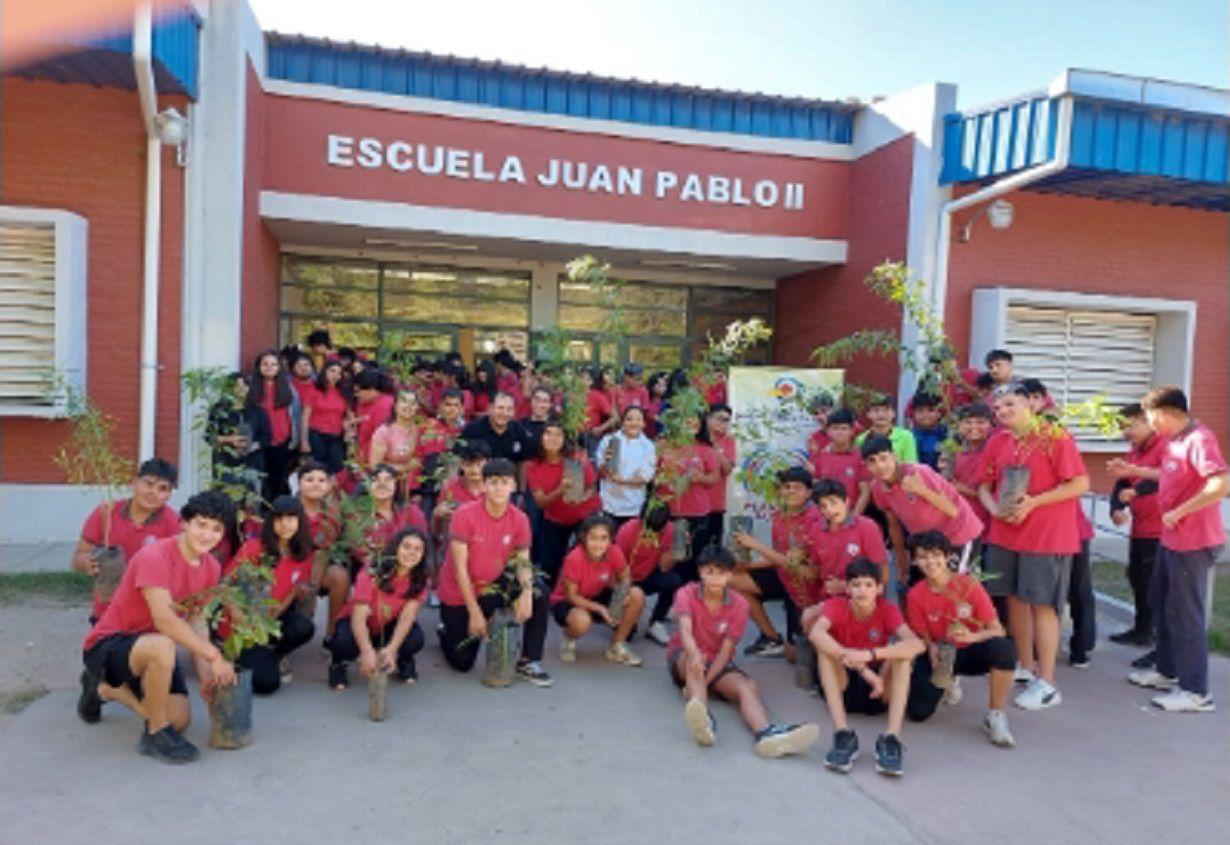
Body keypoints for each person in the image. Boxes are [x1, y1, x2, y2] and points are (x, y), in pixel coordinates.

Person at [77, 491, 238, 764]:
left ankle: (104, 690)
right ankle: (155, 733)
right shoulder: (156, 556)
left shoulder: (211, 567)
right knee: (163, 644)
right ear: (184, 523)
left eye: (216, 529)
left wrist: (207, 676)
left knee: (179, 719)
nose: (207, 535)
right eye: (201, 524)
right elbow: (165, 620)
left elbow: (197, 622)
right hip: (110, 645)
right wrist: (214, 654)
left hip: (152, 650)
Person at [977, 385, 1089, 711]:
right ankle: (1024, 667)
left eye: (1009, 404)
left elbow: (1080, 484)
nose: (1003, 411)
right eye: (997, 408)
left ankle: (1048, 682)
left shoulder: (1055, 436)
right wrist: (994, 508)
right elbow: (984, 486)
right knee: (1013, 598)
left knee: (1042, 604)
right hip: (1005, 533)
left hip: (1046, 535)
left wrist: (1035, 502)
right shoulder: (998, 441)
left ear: (1031, 403)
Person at [1127, 387, 1228, 713]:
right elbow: (1170, 474)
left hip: (1193, 541)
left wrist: (1181, 511)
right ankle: (1167, 670)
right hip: (1171, 539)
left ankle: (1196, 692)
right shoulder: (1176, 441)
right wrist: (1134, 471)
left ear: (1168, 412)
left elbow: (1220, 484)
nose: (1150, 425)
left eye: (1152, 418)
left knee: (1186, 615)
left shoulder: (1200, 439)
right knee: (1161, 602)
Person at [668, 545, 819, 757]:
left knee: (747, 687)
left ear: (730, 575)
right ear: (701, 572)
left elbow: (726, 650)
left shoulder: (739, 604)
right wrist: (694, 655)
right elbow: (685, 631)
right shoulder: (686, 593)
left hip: (717, 660)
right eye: (709, 571)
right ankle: (704, 720)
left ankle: (766, 734)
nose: (714, 578)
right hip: (686, 655)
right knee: (694, 662)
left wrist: (708, 680)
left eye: (721, 572)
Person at [436, 458, 553, 686]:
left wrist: (527, 595)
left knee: (539, 591)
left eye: (504, 482)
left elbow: (523, 563)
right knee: (462, 662)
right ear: (485, 485)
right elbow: (459, 568)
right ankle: (446, 629)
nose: (499, 488)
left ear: (513, 486)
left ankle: (529, 659)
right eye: (493, 482)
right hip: (460, 593)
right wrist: (475, 613)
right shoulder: (464, 515)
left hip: (492, 585)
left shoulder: (520, 518)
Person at [808, 558, 924, 777]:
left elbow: (916, 644)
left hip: (879, 689)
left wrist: (871, 655)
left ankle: (891, 738)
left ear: (879, 588)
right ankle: (843, 733)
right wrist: (862, 668)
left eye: (868, 585)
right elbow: (816, 633)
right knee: (825, 650)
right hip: (846, 684)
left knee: (903, 654)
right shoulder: (837, 605)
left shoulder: (887, 610)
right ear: (848, 588)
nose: (862, 591)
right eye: (856, 585)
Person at [902, 531, 1017, 748]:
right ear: (916, 561)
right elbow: (923, 635)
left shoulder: (969, 585)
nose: (930, 562)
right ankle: (949, 681)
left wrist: (973, 636)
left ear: (947, 557)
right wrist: (931, 647)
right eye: (923, 557)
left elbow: (997, 629)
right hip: (943, 654)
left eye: (936, 555)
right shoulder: (915, 595)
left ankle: (995, 715)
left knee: (1004, 649)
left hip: (971, 648)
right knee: (918, 713)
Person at [862, 435, 983, 591]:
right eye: (872, 461)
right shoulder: (878, 488)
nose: (880, 465)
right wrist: (902, 562)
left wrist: (921, 490)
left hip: (959, 535)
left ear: (894, 456)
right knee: (918, 588)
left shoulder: (918, 472)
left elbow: (953, 510)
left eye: (884, 458)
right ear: (866, 466)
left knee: (956, 589)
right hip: (926, 543)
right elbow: (894, 526)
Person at [227, 496, 316, 694]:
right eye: (279, 519)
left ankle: (275, 653)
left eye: (291, 519)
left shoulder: (304, 553)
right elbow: (227, 585)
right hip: (244, 623)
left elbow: (293, 588)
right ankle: (240, 653)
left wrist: (273, 616)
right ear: (270, 522)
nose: (285, 525)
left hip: (269, 620)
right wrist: (239, 616)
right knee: (266, 684)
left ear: (300, 521)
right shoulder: (255, 548)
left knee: (304, 627)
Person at [73, 458, 181, 621]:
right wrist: (87, 562)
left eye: (163, 489)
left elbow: (179, 569)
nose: (153, 492)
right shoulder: (106, 513)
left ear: (169, 494)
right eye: (148, 484)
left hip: (149, 614)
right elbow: (78, 556)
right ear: (134, 483)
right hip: (107, 610)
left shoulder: (172, 523)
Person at [732, 467, 822, 658]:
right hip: (784, 576)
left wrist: (755, 545)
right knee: (733, 578)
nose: (790, 491)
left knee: (795, 656)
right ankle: (771, 637)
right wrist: (744, 566)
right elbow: (776, 557)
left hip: (807, 585)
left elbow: (796, 564)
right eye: (786, 487)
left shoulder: (815, 519)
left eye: (797, 488)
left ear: (809, 492)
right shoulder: (778, 516)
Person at [327, 527, 430, 690]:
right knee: (342, 642)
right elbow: (359, 616)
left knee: (415, 639)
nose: (411, 553)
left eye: (418, 549)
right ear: (396, 547)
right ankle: (338, 663)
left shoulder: (420, 579)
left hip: (388, 624)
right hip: (360, 622)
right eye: (406, 546)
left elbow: (407, 617)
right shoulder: (373, 570)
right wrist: (367, 652)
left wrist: (392, 649)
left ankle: (403, 659)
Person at [1105, 403, 1165, 649]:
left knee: (1154, 585)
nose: (1125, 433)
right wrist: (1116, 509)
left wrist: (1135, 491)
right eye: (1122, 428)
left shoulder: (1165, 447)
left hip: (1161, 530)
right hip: (1140, 528)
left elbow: (1165, 480)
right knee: (1138, 579)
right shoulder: (1134, 450)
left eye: (1129, 427)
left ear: (1147, 421)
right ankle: (1142, 630)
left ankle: (1158, 642)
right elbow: (1122, 483)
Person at [551, 515, 646, 666]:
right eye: (593, 538)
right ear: (584, 538)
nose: (598, 544)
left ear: (610, 539)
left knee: (636, 594)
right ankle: (569, 638)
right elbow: (571, 596)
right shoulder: (574, 558)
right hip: (569, 601)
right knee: (581, 621)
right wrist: (601, 609)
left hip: (596, 594)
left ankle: (616, 645)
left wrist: (621, 596)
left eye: (604, 538)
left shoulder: (614, 551)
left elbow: (625, 575)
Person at [526, 420, 602, 586]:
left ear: (564, 439)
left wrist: (583, 497)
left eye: (558, 434)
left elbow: (592, 487)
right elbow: (540, 503)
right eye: (548, 433)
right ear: (540, 438)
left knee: (585, 558)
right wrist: (561, 489)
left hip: (584, 516)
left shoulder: (575, 458)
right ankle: (548, 599)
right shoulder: (533, 466)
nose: (553, 438)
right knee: (550, 563)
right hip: (555, 518)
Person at [655, 410, 721, 580]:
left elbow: (715, 477)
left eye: (694, 423)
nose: (690, 427)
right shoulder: (664, 445)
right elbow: (649, 472)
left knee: (695, 557)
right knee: (673, 557)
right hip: (669, 511)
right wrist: (662, 478)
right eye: (685, 422)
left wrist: (701, 478)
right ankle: (671, 597)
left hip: (697, 513)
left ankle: (692, 595)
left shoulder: (705, 449)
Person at [296, 460, 350, 643]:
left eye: (321, 480)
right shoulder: (289, 509)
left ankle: (332, 634)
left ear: (329, 484)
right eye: (309, 479)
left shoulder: (334, 512)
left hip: (321, 568)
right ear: (299, 483)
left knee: (340, 576)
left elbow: (344, 543)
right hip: (292, 569)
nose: (316, 484)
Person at [616, 502, 682, 646]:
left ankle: (656, 622)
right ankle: (621, 617)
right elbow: (615, 568)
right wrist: (629, 599)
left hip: (648, 575)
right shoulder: (628, 530)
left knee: (674, 579)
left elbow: (664, 567)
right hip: (625, 579)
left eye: (658, 530)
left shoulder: (670, 531)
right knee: (628, 635)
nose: (653, 534)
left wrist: (677, 552)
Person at [249, 349, 301, 501]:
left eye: (274, 364)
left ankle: (275, 509)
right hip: (258, 440)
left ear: (280, 367)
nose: (269, 367)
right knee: (259, 477)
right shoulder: (250, 387)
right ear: (259, 366)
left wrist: (296, 439)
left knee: (277, 477)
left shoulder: (288, 388)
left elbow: (296, 415)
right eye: (265, 364)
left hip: (281, 438)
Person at [596, 406, 657, 526]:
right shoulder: (609, 440)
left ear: (644, 423)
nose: (634, 423)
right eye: (629, 419)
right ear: (623, 422)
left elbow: (645, 478)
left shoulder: (648, 446)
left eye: (638, 419)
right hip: (609, 503)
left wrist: (622, 480)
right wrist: (606, 465)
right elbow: (601, 469)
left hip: (634, 505)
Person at [809, 409, 870, 515]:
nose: (839, 432)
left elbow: (865, 492)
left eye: (844, 428)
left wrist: (854, 516)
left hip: (851, 513)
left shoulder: (860, 457)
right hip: (825, 514)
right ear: (828, 431)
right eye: (835, 428)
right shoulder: (820, 456)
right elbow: (815, 485)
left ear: (851, 431)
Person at [300, 359, 349, 475]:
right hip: (317, 434)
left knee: (339, 467)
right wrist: (304, 441)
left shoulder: (344, 393)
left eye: (339, 373)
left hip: (336, 435)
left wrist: (348, 430)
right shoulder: (314, 390)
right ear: (325, 372)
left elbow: (347, 416)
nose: (335, 376)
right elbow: (305, 416)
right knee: (318, 468)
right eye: (332, 371)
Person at [370, 390, 425, 493]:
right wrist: (405, 467)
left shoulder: (420, 431)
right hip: (389, 489)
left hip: (416, 489)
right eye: (404, 401)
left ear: (417, 407)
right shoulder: (384, 432)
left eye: (412, 403)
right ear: (395, 406)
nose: (408, 406)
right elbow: (375, 466)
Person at [461, 392, 532, 464]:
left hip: (509, 474)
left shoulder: (518, 430)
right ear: (490, 408)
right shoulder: (472, 430)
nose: (505, 413)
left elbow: (523, 461)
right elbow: (460, 457)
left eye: (509, 409)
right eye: (500, 408)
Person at [856, 395, 918, 464]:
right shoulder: (861, 439)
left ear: (894, 413)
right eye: (876, 410)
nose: (881, 415)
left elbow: (911, 467)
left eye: (886, 410)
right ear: (868, 414)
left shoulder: (906, 436)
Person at [706, 404, 737, 542]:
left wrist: (715, 448)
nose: (724, 423)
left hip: (716, 504)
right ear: (708, 418)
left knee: (713, 546)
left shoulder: (728, 441)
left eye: (727, 420)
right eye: (720, 419)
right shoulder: (694, 438)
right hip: (693, 504)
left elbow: (727, 470)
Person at [352, 368, 395, 466]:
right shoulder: (365, 403)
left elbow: (381, 440)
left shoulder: (385, 405)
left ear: (371, 389)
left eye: (358, 391)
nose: (356, 395)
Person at [909, 392, 948, 471]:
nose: (925, 415)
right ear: (914, 414)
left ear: (939, 413)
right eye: (920, 411)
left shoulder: (947, 434)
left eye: (931, 410)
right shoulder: (909, 436)